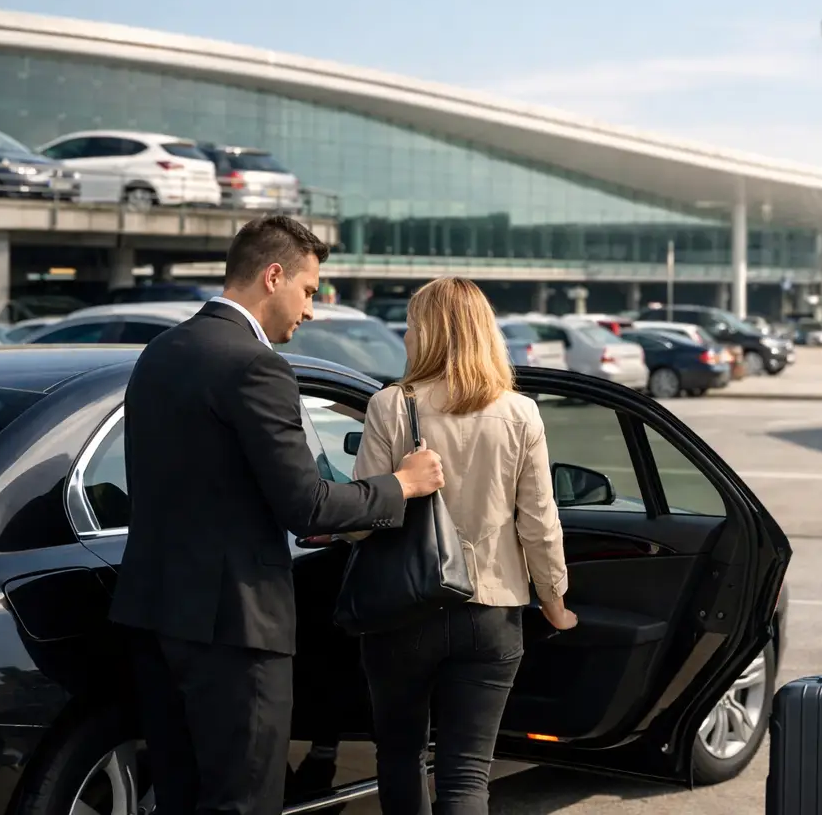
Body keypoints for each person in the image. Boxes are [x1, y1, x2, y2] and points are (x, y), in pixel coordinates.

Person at [109, 215, 447, 815]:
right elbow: (308, 504)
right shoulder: (256, 366)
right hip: (236, 628)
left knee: (179, 800)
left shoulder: (160, 352)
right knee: (245, 803)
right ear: (273, 276)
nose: (311, 310)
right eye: (310, 291)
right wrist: (400, 484)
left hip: (155, 613)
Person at [352, 276, 575, 815]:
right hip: (492, 611)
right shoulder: (520, 413)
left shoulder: (390, 405)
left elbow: (361, 519)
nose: (405, 335)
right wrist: (554, 600)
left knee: (400, 755)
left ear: (427, 333)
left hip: (403, 610)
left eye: (410, 325)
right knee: (467, 772)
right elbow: (540, 522)